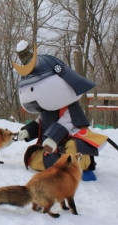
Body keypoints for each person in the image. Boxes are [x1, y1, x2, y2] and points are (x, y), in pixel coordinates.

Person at [13, 42, 108, 181]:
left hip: (66, 142)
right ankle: (61, 166)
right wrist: (27, 131)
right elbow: (40, 123)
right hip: (51, 148)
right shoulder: (46, 109)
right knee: (33, 157)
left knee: (73, 148)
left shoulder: (68, 108)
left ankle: (80, 165)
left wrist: (53, 138)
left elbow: (66, 123)